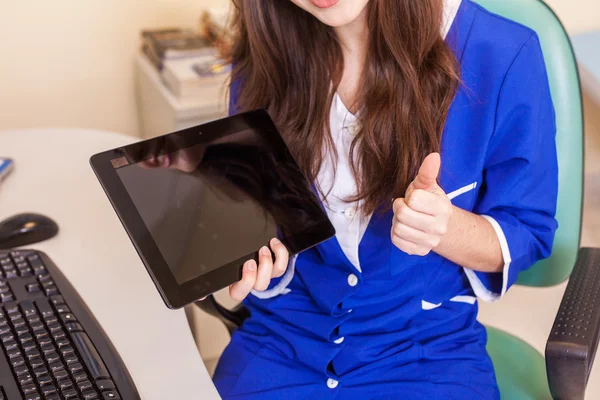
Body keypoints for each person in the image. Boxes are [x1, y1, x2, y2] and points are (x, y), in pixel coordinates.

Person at [212, 0, 559, 399]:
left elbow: (528, 232)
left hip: (426, 351)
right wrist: (246, 256)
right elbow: (259, 213)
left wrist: (444, 228)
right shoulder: (265, 51)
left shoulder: (501, 53)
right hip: (282, 341)